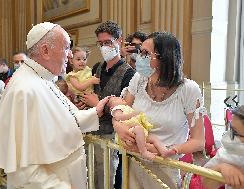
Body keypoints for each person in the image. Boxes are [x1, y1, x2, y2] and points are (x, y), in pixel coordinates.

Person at [0, 22, 110, 189]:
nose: (69, 56)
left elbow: (65, 119)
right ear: (45, 51)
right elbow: (23, 170)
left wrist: (96, 112)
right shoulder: (23, 90)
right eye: (66, 48)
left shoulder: (44, 78)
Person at [114, 31, 205, 188]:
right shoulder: (139, 79)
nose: (138, 57)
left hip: (166, 166)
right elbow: (122, 109)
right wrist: (118, 126)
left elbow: (198, 141)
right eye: (139, 52)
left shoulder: (188, 89)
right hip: (133, 162)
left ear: (165, 58)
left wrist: (170, 150)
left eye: (145, 53)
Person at [81, 20, 135, 189]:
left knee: (106, 180)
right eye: (101, 43)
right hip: (90, 130)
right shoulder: (97, 67)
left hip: (110, 135)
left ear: (119, 41)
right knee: (89, 177)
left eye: (108, 42)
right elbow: (88, 93)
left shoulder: (129, 74)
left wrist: (97, 103)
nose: (104, 47)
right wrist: (84, 101)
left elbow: (126, 110)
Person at [108, 96, 176, 159]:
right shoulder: (117, 109)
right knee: (138, 130)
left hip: (137, 130)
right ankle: (143, 151)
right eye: (115, 99)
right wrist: (132, 115)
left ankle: (164, 151)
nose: (119, 98)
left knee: (153, 137)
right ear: (111, 107)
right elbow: (118, 117)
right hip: (129, 131)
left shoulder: (126, 107)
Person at [202, 105, 244, 189]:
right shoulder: (231, 152)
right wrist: (220, 168)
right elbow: (206, 183)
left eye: (235, 132)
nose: (228, 136)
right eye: (231, 130)